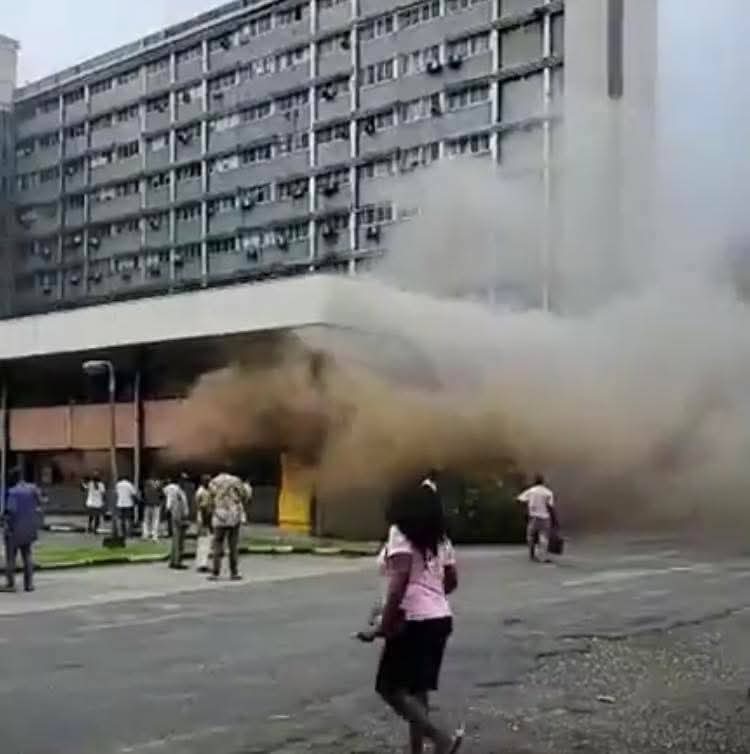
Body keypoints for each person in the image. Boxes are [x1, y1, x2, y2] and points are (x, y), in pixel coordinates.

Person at [373, 474, 464, 754]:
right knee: (417, 689)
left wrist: (385, 623)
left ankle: (440, 739)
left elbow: (399, 581)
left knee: (389, 688)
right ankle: (418, 750)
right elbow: (451, 581)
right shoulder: (440, 539)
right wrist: (431, 593)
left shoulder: (400, 533)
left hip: (413, 620)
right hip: (439, 619)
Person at [3, 469, 43, 592]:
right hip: (29, 528)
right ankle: (29, 584)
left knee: (11, 557)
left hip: (14, 529)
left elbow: (11, 511)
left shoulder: (13, 492)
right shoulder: (33, 489)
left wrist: (5, 524)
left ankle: (10, 584)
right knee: (27, 555)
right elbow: (40, 503)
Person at [208, 472, 249, 581]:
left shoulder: (214, 482)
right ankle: (234, 572)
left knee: (217, 545)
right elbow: (245, 496)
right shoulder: (236, 481)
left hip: (219, 517)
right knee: (233, 546)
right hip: (234, 516)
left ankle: (215, 572)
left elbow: (209, 500)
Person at [517, 473, 555, 562]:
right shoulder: (548, 492)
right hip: (545, 517)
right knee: (544, 537)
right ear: (543, 482)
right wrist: (554, 519)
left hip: (533, 517)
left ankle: (532, 555)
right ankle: (543, 557)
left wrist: (525, 510)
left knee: (531, 536)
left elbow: (519, 499)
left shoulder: (531, 491)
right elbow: (550, 506)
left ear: (535, 481)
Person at [164, 477, 189, 570]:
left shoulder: (181, 492)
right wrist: (168, 510)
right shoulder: (175, 491)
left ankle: (173, 560)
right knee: (178, 541)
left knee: (178, 540)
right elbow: (170, 501)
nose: (184, 483)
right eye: (183, 481)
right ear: (179, 481)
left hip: (181, 516)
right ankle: (177, 562)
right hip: (177, 516)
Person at [194, 475, 213, 573]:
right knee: (203, 542)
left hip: (204, 517)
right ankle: (202, 564)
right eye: (208, 481)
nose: (209, 483)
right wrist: (207, 523)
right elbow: (203, 508)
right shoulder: (202, 492)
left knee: (205, 542)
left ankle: (203, 563)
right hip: (203, 518)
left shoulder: (205, 491)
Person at [141, 477, 163, 542]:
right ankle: (154, 536)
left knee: (146, 521)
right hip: (156, 506)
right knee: (155, 521)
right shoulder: (158, 489)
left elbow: (142, 498)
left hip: (147, 506)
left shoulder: (145, 489)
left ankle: (145, 535)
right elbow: (162, 496)